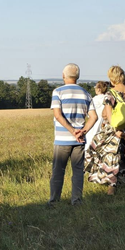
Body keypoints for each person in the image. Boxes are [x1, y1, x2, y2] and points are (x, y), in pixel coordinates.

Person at [85, 66, 125, 195]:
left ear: (111, 78)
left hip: (114, 132)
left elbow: (108, 114)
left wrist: (116, 130)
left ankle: (112, 187)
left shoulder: (110, 94)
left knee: (111, 158)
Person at [48, 64, 97, 205]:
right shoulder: (86, 94)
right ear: (78, 77)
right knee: (78, 172)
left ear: (63, 76)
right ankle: (77, 200)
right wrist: (82, 131)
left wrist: (71, 131)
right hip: (80, 140)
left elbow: (57, 115)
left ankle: (54, 201)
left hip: (62, 139)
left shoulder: (58, 92)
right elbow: (93, 117)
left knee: (58, 171)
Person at [85, 81, 109, 150]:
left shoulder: (94, 100)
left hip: (94, 123)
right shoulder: (108, 98)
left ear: (99, 89)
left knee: (90, 142)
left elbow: (89, 115)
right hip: (105, 124)